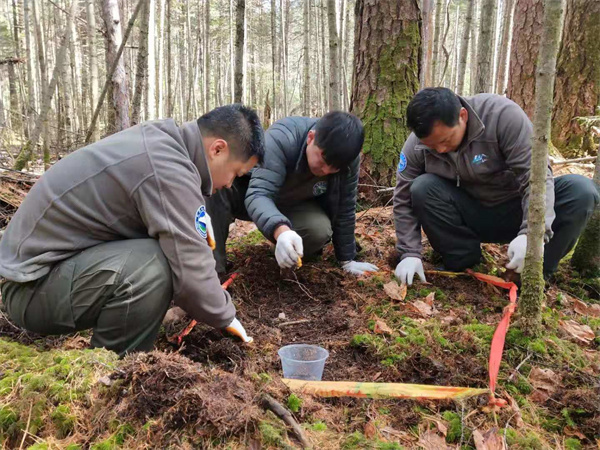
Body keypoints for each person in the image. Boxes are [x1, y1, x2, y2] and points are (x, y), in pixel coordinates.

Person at [0, 104, 264, 356]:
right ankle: (115, 372)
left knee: (159, 257)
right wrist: (225, 315)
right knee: (153, 266)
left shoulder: (164, 143)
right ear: (217, 149)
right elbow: (191, 273)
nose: (231, 184)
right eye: (236, 173)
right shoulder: (168, 168)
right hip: (29, 288)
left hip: (42, 273)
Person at [393, 87, 599, 285]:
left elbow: (535, 177)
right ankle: (464, 264)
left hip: (516, 208)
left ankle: (533, 273)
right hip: (467, 214)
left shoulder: (502, 116)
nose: (439, 149)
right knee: (422, 187)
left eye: (445, 140)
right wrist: (409, 253)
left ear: (462, 116)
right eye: (432, 145)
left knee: (581, 190)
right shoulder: (418, 144)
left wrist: (532, 233)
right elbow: (403, 199)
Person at [207, 111, 379, 275]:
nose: (326, 170)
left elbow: (345, 206)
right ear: (311, 138)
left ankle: (286, 251)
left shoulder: (347, 159)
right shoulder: (282, 137)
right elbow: (259, 194)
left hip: (294, 203)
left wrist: (347, 259)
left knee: (319, 230)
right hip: (249, 195)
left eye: (334, 168)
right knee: (217, 187)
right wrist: (281, 231)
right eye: (323, 160)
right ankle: (214, 270)